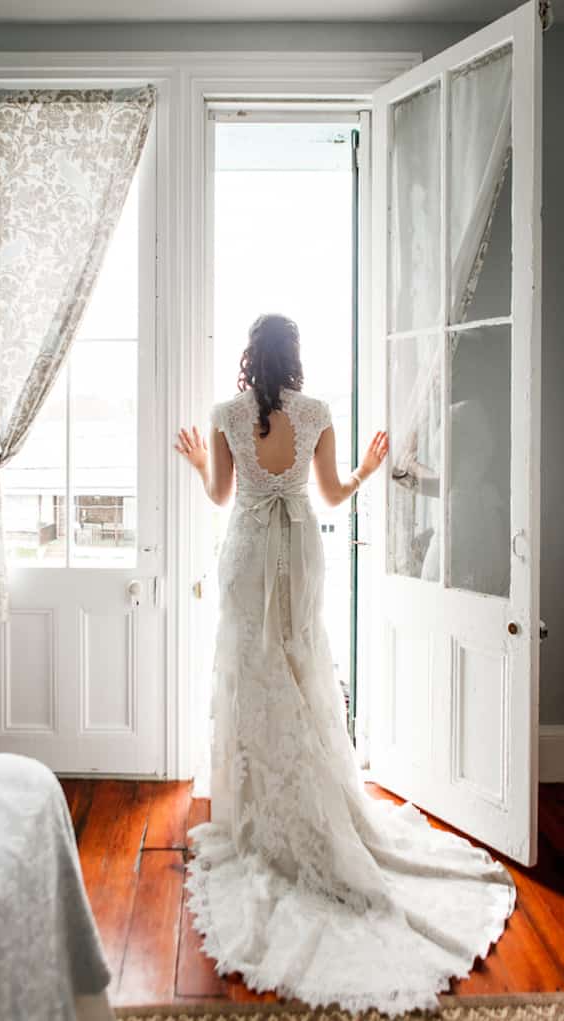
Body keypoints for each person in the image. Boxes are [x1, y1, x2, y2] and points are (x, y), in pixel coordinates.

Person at [174, 313, 515, 1016]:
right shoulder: (318, 412)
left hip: (245, 553)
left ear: (247, 358)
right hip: (299, 551)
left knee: (248, 669)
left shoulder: (226, 414)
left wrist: (195, 460)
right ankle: (310, 800)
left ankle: (259, 816)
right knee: (301, 666)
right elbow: (329, 497)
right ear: (293, 358)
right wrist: (365, 466)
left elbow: (218, 496)